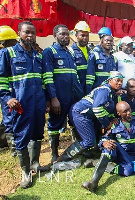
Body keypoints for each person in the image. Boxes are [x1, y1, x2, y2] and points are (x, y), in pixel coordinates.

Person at [0, 21, 48, 188]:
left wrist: (47, 99)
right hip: (20, 104)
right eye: (27, 32)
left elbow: (43, 79)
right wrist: (7, 98)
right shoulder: (9, 53)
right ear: (19, 33)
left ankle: (35, 164)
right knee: (21, 136)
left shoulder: (37, 55)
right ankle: (26, 173)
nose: (31, 36)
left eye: (33, 33)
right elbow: (2, 79)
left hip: (38, 103)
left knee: (37, 133)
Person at [82, 101, 135, 192]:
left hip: (128, 156)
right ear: (119, 113)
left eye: (129, 110)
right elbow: (104, 137)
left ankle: (96, 163)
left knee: (128, 171)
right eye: (125, 111)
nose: (129, 113)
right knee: (110, 144)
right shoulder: (115, 124)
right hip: (116, 151)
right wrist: (104, 143)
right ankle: (93, 182)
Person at [56, 71, 124, 162]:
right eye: (117, 80)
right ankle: (63, 158)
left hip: (86, 115)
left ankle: (83, 151)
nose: (120, 83)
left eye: (121, 81)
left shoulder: (111, 93)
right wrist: (106, 124)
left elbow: (107, 109)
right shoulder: (104, 90)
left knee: (90, 139)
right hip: (80, 113)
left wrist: (112, 119)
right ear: (110, 80)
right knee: (89, 141)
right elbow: (97, 108)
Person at [43, 24, 84, 163]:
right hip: (59, 97)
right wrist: (53, 98)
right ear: (55, 36)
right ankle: (54, 155)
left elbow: (75, 76)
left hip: (74, 96)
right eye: (62, 34)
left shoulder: (70, 52)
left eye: (67, 34)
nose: (65, 37)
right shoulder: (50, 51)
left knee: (75, 122)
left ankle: (77, 151)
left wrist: (80, 97)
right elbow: (48, 77)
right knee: (55, 124)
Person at [0, 25, 18, 157]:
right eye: (13, 41)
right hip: (7, 91)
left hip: (14, 89)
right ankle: (13, 148)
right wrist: (6, 95)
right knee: (9, 117)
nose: (16, 43)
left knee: (15, 116)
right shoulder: (4, 54)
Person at [86, 28, 117, 94]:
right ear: (102, 42)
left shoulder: (114, 59)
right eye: (106, 40)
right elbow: (89, 77)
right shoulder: (94, 55)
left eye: (111, 41)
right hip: (97, 91)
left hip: (111, 92)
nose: (109, 42)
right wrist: (89, 92)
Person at [71, 21, 91, 94]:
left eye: (87, 35)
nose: (85, 38)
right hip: (76, 89)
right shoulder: (71, 51)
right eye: (82, 35)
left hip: (89, 87)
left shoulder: (91, 52)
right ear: (76, 36)